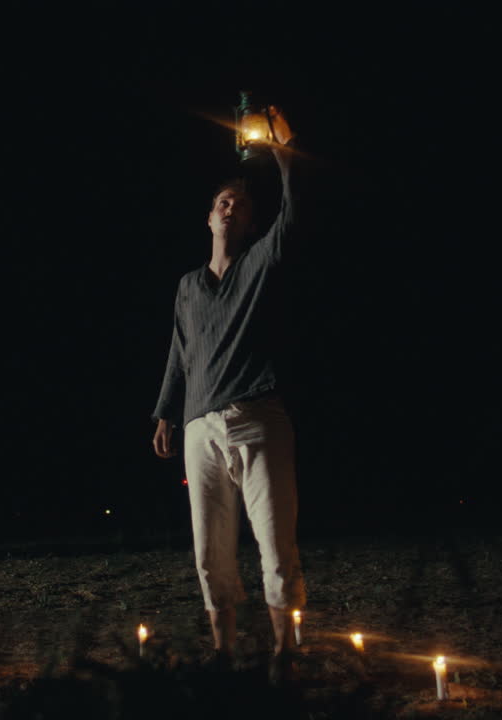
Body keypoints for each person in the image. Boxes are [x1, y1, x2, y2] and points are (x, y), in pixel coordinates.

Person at [151, 106, 304, 674]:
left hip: (257, 414)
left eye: (239, 204)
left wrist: (284, 150)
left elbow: (292, 219)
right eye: (223, 200)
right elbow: (180, 351)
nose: (229, 205)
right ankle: (224, 651)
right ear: (209, 216)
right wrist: (167, 411)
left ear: (247, 225)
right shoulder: (188, 286)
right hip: (199, 424)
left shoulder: (257, 265)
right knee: (210, 552)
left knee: (273, 540)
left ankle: (286, 651)